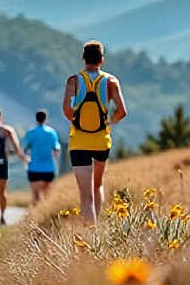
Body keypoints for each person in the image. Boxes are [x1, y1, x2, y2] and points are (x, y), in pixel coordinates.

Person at [61, 41, 127, 223]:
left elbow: (66, 109)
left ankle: (91, 237)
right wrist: (108, 123)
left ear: (83, 59)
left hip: (79, 142)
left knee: (85, 197)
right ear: (102, 60)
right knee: (97, 185)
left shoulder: (73, 81)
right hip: (101, 141)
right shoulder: (111, 81)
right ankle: (97, 228)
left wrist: (78, 123)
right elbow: (122, 111)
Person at [22, 110, 61, 206]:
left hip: (34, 167)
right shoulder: (51, 132)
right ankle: (43, 214)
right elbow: (56, 148)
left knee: (35, 195)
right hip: (49, 168)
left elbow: (25, 148)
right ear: (46, 118)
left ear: (36, 118)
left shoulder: (31, 133)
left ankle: (35, 216)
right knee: (47, 195)